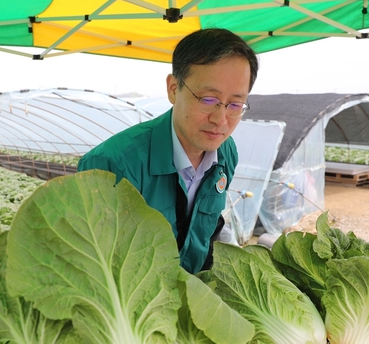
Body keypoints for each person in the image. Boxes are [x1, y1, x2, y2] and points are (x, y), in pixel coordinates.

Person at [77, 28, 259, 273]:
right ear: (173, 89)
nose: (220, 118)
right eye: (207, 99)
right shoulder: (111, 166)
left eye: (235, 104)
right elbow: (95, 268)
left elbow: (207, 229)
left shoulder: (226, 152)